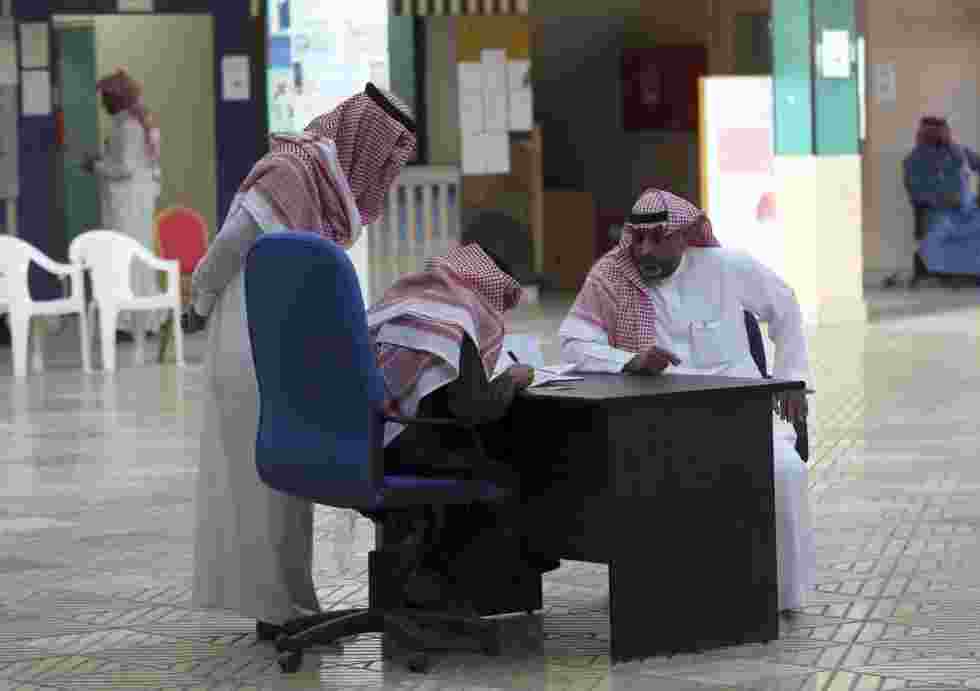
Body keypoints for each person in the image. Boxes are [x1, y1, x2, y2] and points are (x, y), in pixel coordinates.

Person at [189, 83, 417, 634]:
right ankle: (271, 607)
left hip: (285, 343)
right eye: (382, 158)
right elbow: (228, 247)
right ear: (363, 138)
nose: (382, 174)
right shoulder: (291, 173)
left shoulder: (324, 186)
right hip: (246, 331)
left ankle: (294, 604)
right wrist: (198, 300)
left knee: (288, 483)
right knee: (257, 483)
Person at [558, 189, 815, 613]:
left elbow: (785, 307)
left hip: (742, 415)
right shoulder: (611, 277)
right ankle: (656, 589)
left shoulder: (726, 267)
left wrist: (791, 379)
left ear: (684, 236)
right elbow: (573, 343)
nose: (644, 250)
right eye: (638, 239)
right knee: (635, 478)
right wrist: (630, 360)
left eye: (657, 239)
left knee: (785, 471)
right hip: (660, 421)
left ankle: (785, 599)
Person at [367, 243, 552, 608]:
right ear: (487, 286)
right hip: (413, 454)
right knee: (518, 469)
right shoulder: (458, 318)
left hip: (371, 448)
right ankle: (458, 589)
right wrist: (511, 380)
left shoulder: (404, 300)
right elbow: (472, 407)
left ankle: (420, 577)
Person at [85, 69, 163, 341]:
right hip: (138, 203)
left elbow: (125, 168)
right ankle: (147, 320)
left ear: (117, 98)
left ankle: (127, 322)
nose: (102, 104)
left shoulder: (128, 127)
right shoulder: (141, 124)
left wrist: (95, 166)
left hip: (125, 205)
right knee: (140, 258)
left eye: (105, 98)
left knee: (122, 259)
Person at [903, 116, 980, 282]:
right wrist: (943, 201)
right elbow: (917, 195)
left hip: (968, 211)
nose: (939, 135)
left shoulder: (959, 152)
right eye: (932, 131)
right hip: (939, 215)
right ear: (923, 134)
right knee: (941, 234)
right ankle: (956, 272)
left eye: (942, 130)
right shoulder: (913, 161)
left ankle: (977, 270)